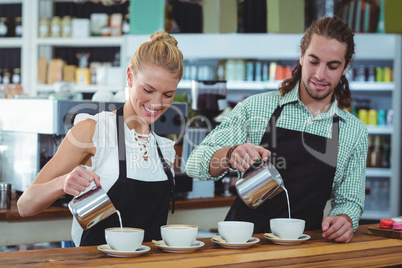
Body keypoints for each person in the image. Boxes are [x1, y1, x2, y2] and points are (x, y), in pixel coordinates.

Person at [186, 16, 367, 243]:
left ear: (346, 66)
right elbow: (194, 163)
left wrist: (345, 218)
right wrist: (230, 154)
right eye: (313, 61)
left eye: (332, 66)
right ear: (301, 55)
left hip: (304, 247)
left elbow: (349, 200)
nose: (321, 75)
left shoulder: (354, 132)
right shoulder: (257, 108)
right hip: (242, 244)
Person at [17, 31, 183, 246]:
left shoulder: (164, 148)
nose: (156, 103)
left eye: (168, 95)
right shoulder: (92, 131)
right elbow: (25, 205)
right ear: (130, 77)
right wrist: (63, 183)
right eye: (148, 90)